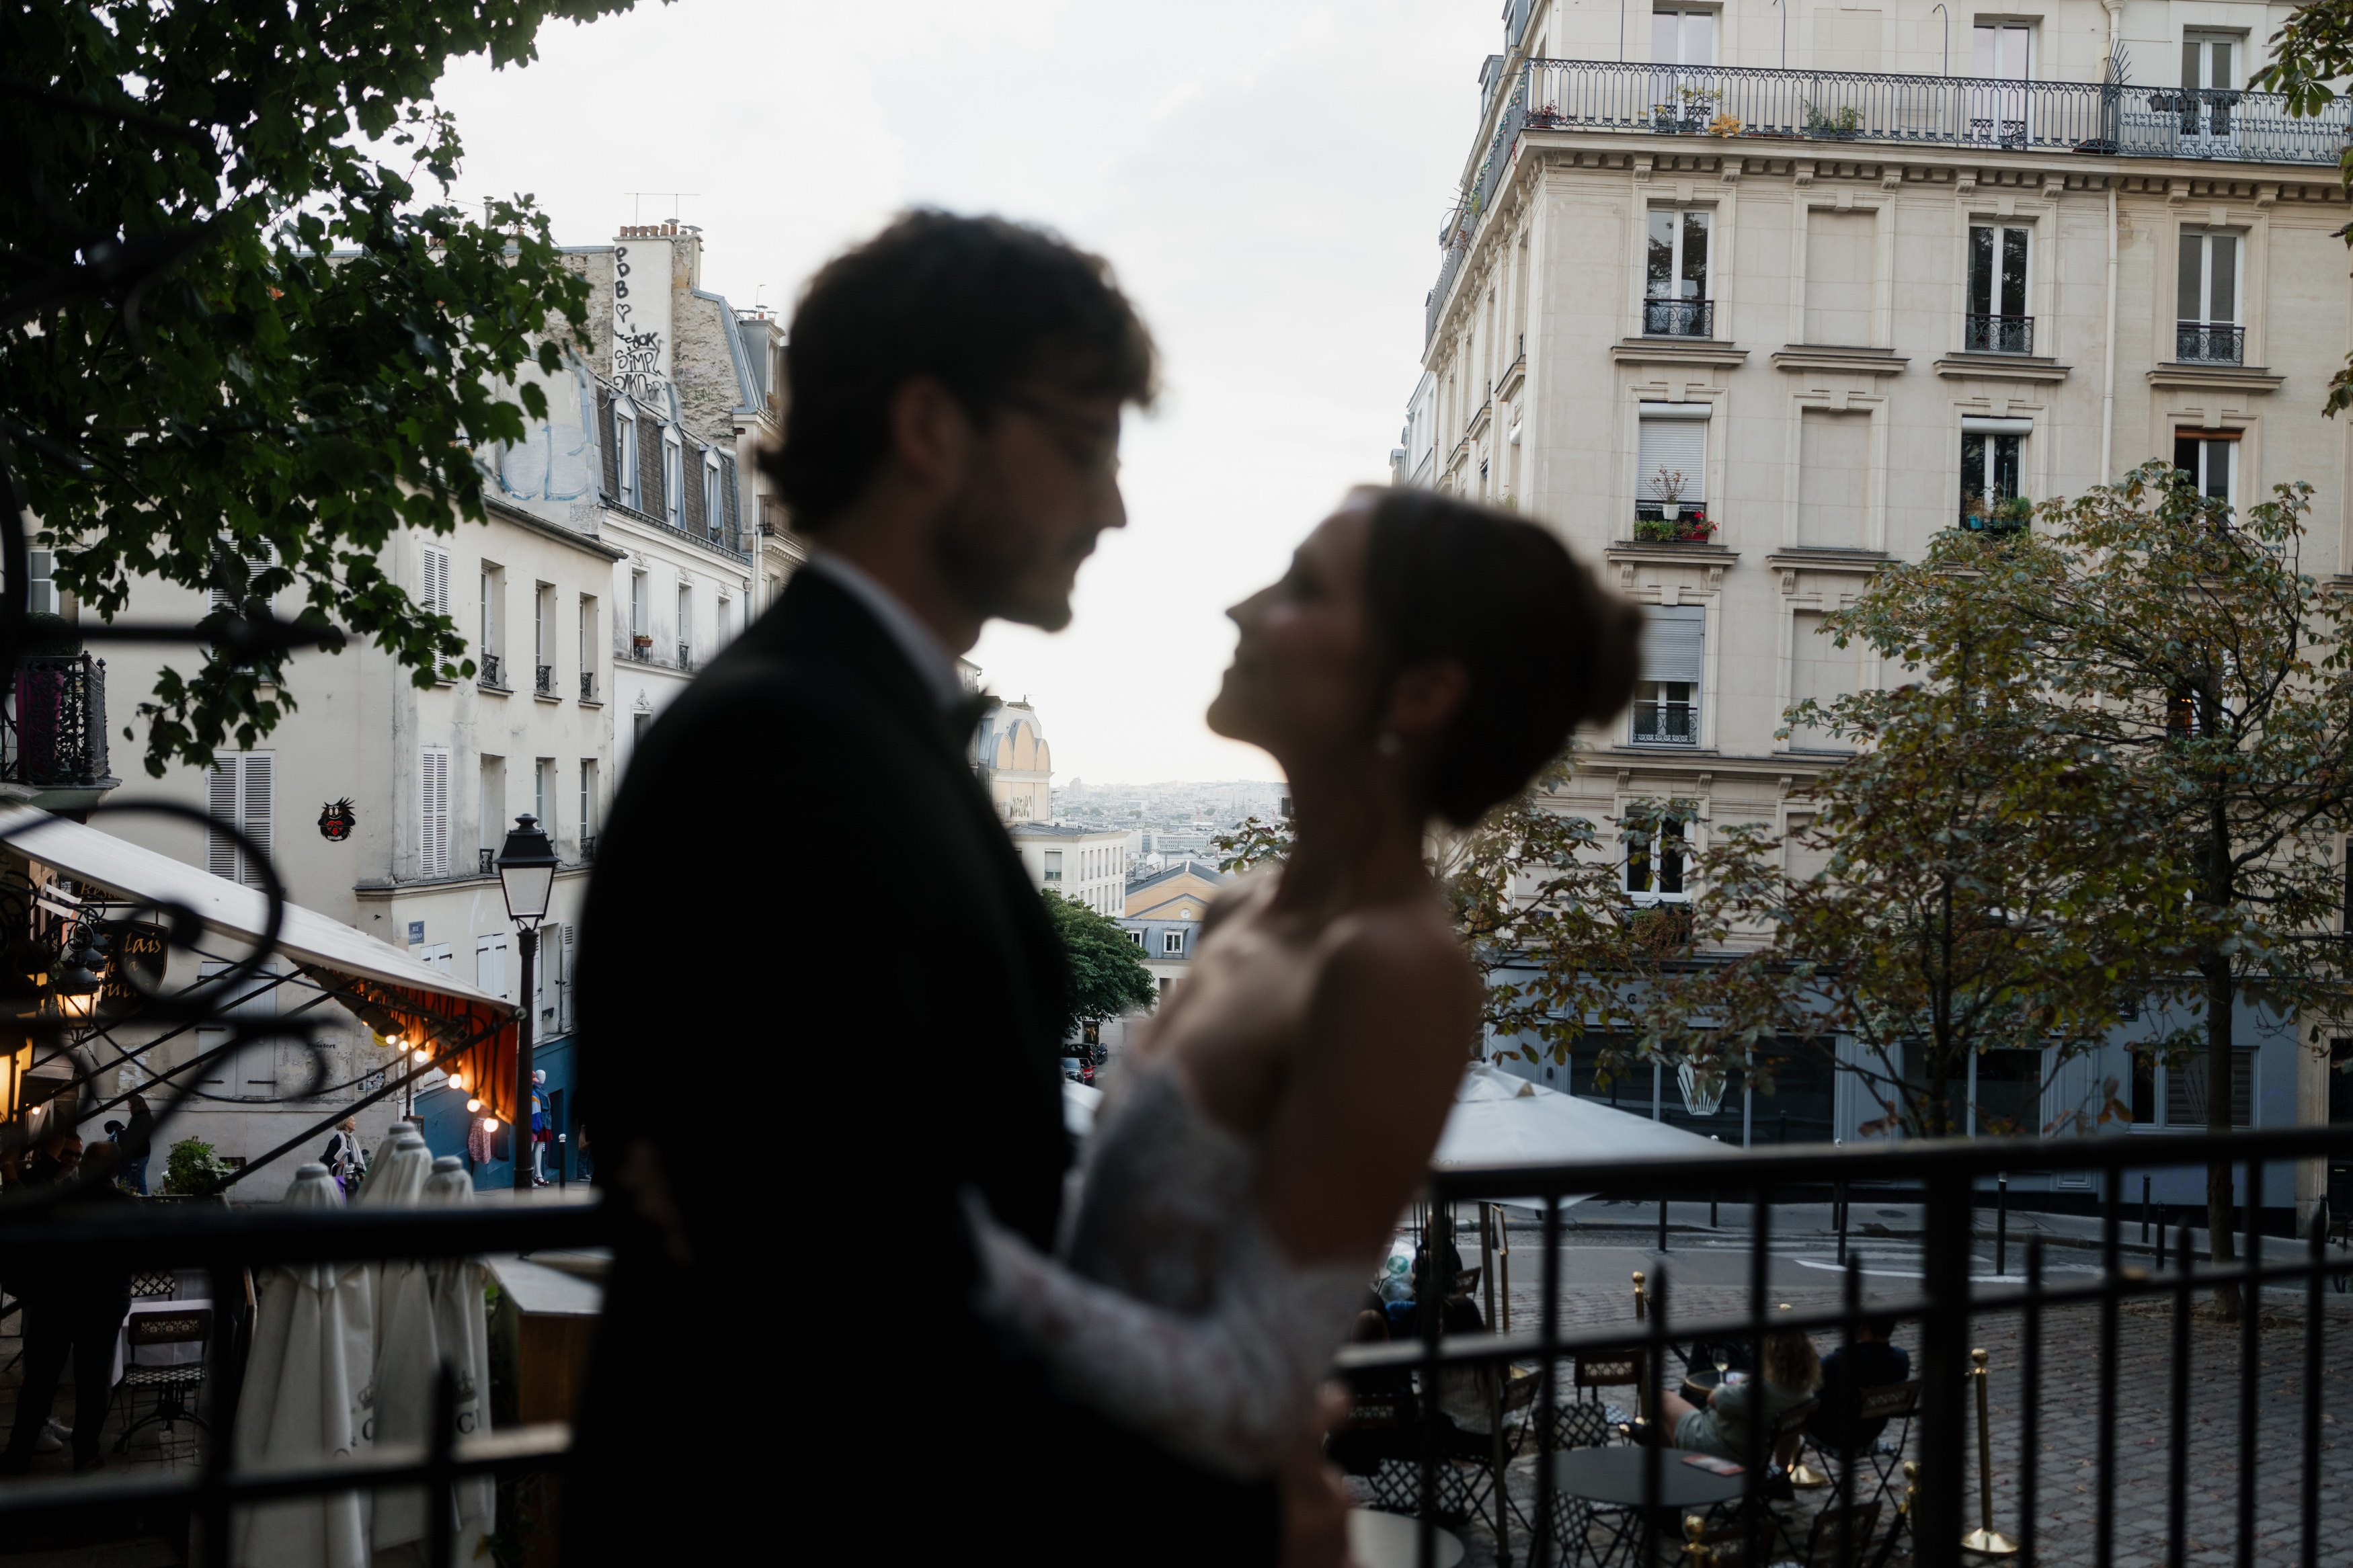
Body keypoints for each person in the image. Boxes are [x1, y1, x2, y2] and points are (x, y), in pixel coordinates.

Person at [570, 211, 1280, 1567]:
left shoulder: (836, 715)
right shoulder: (796, 743)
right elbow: (860, 1281)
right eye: (1083, 443)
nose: (1113, 504)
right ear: (930, 428)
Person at [960, 490, 1639, 1503]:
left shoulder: (1396, 970)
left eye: (1304, 587)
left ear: (1419, 692)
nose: (1244, 607)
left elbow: (1247, 1388)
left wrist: (925, 1241)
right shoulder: (1240, 911)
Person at [0, 1143, 134, 1474]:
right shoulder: (128, 1207)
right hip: (104, 1302)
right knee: (94, 1379)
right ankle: (86, 1454)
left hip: (56, 1299)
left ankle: (19, 1452)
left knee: (40, 1380)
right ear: (116, 1173)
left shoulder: (59, 1200)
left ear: (82, 1168)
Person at [1659, 1323, 1823, 1466]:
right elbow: (1789, 1437)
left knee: (1662, 1398)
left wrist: (1739, 1382)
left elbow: (1713, 1400)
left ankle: (1674, 1470)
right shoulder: (1804, 1392)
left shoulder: (1758, 1391)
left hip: (1720, 1448)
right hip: (1757, 1456)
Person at [1808, 1309, 1910, 1455]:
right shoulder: (1901, 1360)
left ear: (1863, 1326)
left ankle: (1784, 1468)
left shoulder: (1839, 1361)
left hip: (1832, 1437)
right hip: (1869, 1435)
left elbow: (1816, 1397)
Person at [122, 1094, 154, 1195]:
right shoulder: (147, 1117)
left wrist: (123, 1132)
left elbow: (132, 1137)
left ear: (134, 1105)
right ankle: (146, 1204)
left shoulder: (138, 1119)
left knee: (125, 1181)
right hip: (145, 1153)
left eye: (129, 1104)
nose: (128, 1107)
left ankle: (126, 1205)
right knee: (140, 1181)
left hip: (136, 1155)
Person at [319, 1118, 363, 1194]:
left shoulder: (351, 1140)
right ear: (346, 1123)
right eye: (353, 1121)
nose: (355, 1123)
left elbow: (352, 1161)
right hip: (342, 1180)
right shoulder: (337, 1141)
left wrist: (360, 1173)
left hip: (350, 1179)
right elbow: (326, 1160)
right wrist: (337, 1164)